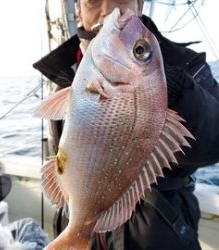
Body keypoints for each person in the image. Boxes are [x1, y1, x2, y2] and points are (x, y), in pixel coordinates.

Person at [33, 0, 219, 249]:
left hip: (156, 236)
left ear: (139, 4)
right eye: (92, 0)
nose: (108, 7)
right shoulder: (67, 72)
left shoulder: (186, 66)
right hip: (76, 218)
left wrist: (178, 90)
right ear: (78, 9)